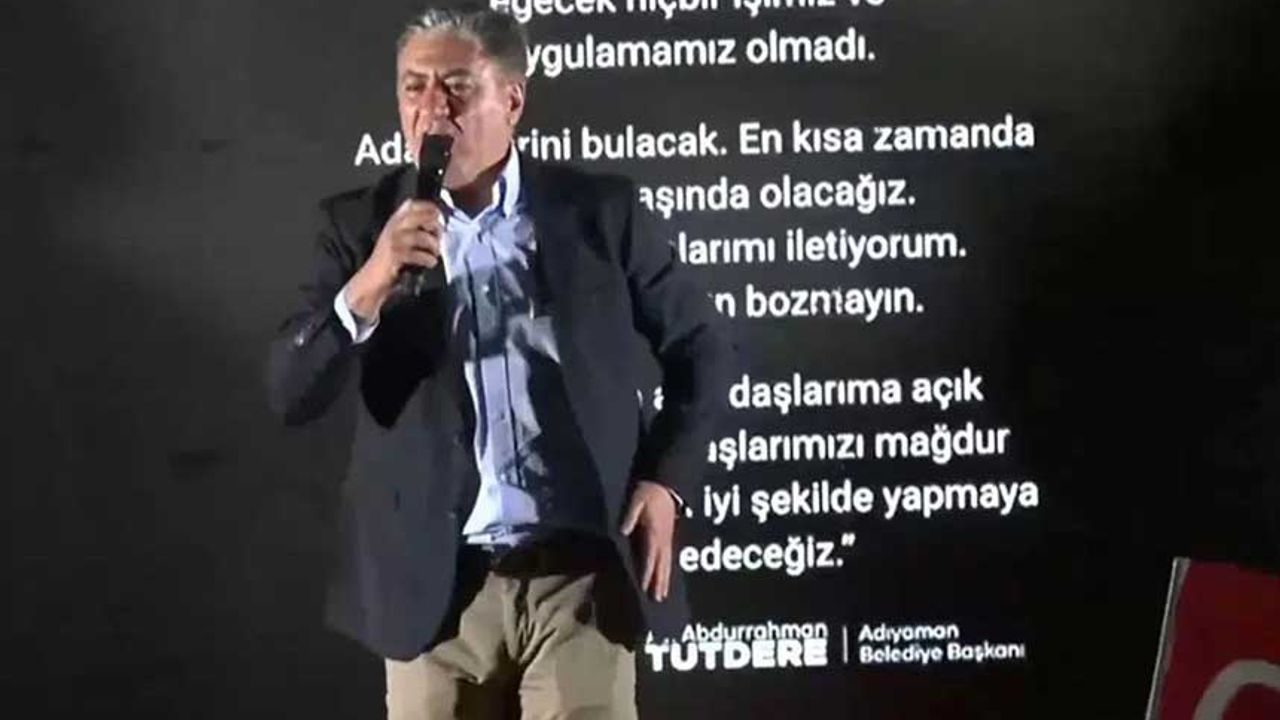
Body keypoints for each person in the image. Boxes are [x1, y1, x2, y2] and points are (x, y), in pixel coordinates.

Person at [265, 4, 734, 718]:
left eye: (456, 87)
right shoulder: (359, 227)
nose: (431, 109)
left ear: (512, 99)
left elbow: (704, 347)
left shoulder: (598, 213)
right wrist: (369, 285)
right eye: (413, 87)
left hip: (579, 579)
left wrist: (667, 480)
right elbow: (291, 390)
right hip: (434, 591)